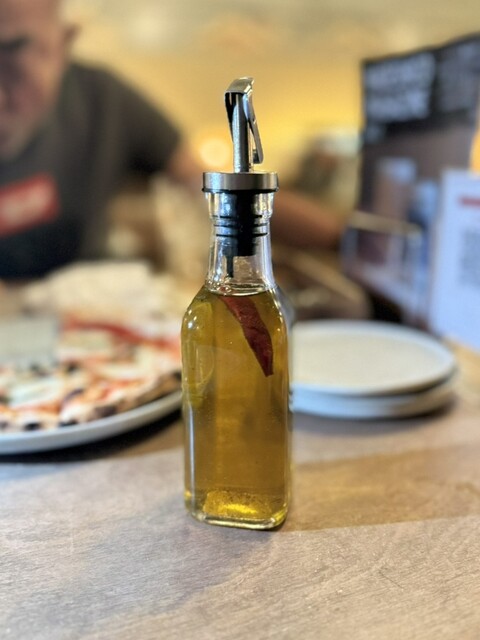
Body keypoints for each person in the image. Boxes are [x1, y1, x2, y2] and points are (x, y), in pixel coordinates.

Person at [0, 0, 343, 279]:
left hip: (80, 331)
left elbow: (217, 190)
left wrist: (346, 239)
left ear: (63, 43)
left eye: (12, 50)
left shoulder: (103, 101)